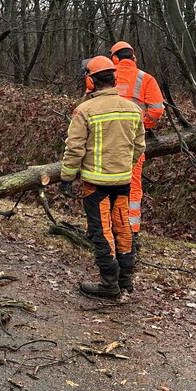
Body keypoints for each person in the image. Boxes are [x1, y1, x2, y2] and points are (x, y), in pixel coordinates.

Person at [58, 56, 145, 299]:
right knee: (123, 227)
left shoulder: (85, 111)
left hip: (96, 184)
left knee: (102, 231)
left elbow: (75, 148)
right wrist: (123, 165)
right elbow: (139, 147)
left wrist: (67, 176)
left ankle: (109, 283)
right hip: (123, 181)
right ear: (113, 78)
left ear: (90, 81)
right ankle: (126, 278)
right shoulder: (133, 109)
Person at [109, 41, 164, 235]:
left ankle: (107, 229)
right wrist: (143, 125)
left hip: (105, 139)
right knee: (132, 185)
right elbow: (157, 110)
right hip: (133, 140)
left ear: (114, 58)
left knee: (103, 183)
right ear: (133, 57)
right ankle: (131, 231)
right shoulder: (146, 78)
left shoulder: (105, 77)